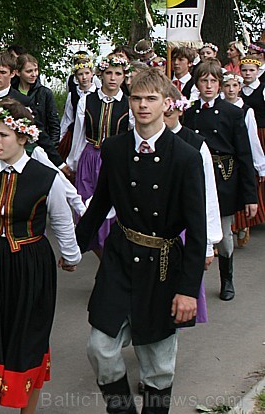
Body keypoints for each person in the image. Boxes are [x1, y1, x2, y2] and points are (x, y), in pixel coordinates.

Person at [76, 68, 207, 414]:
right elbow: (100, 202)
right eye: (136, 98)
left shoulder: (186, 156)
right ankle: (121, 410)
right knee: (100, 348)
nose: (143, 105)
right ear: (128, 102)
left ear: (167, 103)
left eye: (151, 98)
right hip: (119, 259)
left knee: (158, 363)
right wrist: (75, 246)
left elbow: (197, 230)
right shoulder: (116, 149)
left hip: (162, 267)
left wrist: (189, 289)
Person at [0, 98, 80, 413]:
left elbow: (61, 221)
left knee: (26, 340)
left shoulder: (46, 177)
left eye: (4, 135)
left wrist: (71, 257)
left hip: (30, 267)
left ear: (24, 137)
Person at [183, 60, 258, 301]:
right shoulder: (190, 112)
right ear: (197, 83)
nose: (209, 85)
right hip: (195, 176)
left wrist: (250, 196)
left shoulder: (233, 113)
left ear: (220, 84)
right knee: (192, 229)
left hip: (224, 178)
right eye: (204, 80)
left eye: (213, 81)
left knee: (224, 234)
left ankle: (227, 278)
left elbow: (244, 156)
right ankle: (190, 281)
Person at [163, 87, 222, 325]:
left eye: (168, 113)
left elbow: (207, 195)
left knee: (177, 287)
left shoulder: (196, 145)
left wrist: (207, 244)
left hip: (184, 229)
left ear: (179, 111)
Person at [67, 54, 133, 257]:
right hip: (89, 159)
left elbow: (133, 135)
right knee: (87, 210)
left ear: (124, 77)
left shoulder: (129, 104)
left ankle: (110, 262)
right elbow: (79, 134)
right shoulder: (87, 100)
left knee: (113, 213)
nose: (113, 78)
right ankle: (103, 258)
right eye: (109, 73)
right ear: (101, 75)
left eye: (118, 74)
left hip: (116, 162)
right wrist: (72, 162)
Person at [0, 52, 69, 175]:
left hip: (10, 162)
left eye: (2, 72)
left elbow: (39, 132)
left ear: (12, 74)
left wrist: (59, 163)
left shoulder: (22, 100)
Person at [225, 67, 265, 246]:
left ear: (239, 88)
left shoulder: (246, 110)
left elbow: (253, 138)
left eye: (234, 85)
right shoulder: (219, 108)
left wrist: (259, 164)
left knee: (240, 189)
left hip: (240, 155)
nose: (231, 90)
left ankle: (242, 225)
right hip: (223, 156)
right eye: (227, 86)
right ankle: (224, 234)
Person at [58, 54, 98, 160]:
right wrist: (60, 138)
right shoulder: (73, 95)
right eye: (80, 74)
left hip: (92, 136)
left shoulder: (98, 94)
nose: (84, 77)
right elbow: (67, 118)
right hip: (75, 134)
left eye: (87, 73)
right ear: (76, 77)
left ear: (92, 74)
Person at [15, 53, 61, 145]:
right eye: (29, 71)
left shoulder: (45, 93)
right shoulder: (12, 93)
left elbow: (54, 123)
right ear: (18, 72)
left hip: (41, 144)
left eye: (36, 70)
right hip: (17, 143)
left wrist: (52, 147)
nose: (34, 74)